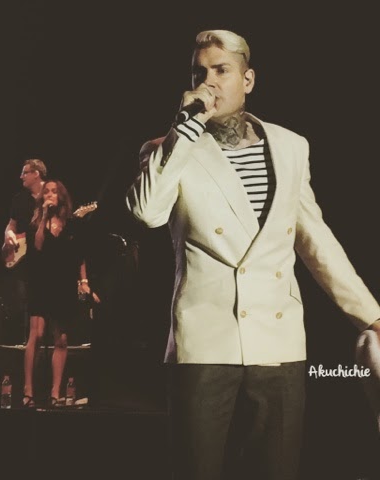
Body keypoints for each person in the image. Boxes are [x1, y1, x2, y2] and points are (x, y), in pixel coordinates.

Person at [126, 29, 380, 480]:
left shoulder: (290, 146)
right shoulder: (168, 149)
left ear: (248, 80)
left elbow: (315, 241)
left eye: (221, 70)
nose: (209, 82)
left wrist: (370, 315)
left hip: (277, 342)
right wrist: (185, 126)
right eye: (199, 73)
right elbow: (147, 212)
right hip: (204, 345)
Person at [22, 179, 97, 408]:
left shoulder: (72, 224)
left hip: (63, 284)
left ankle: (56, 392)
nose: (50, 195)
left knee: (61, 338)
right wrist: (45, 216)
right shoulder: (35, 222)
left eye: (54, 192)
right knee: (36, 335)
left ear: (61, 196)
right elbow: (38, 246)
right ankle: (28, 390)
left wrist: (84, 282)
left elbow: (80, 255)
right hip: (40, 282)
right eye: (46, 192)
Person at [2, 159, 47, 345]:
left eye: (25, 172)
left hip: (46, 256)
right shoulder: (19, 199)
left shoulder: (51, 194)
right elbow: (11, 225)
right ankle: (26, 341)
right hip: (24, 257)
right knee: (22, 300)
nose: (21, 176)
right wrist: (8, 234)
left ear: (36, 174)